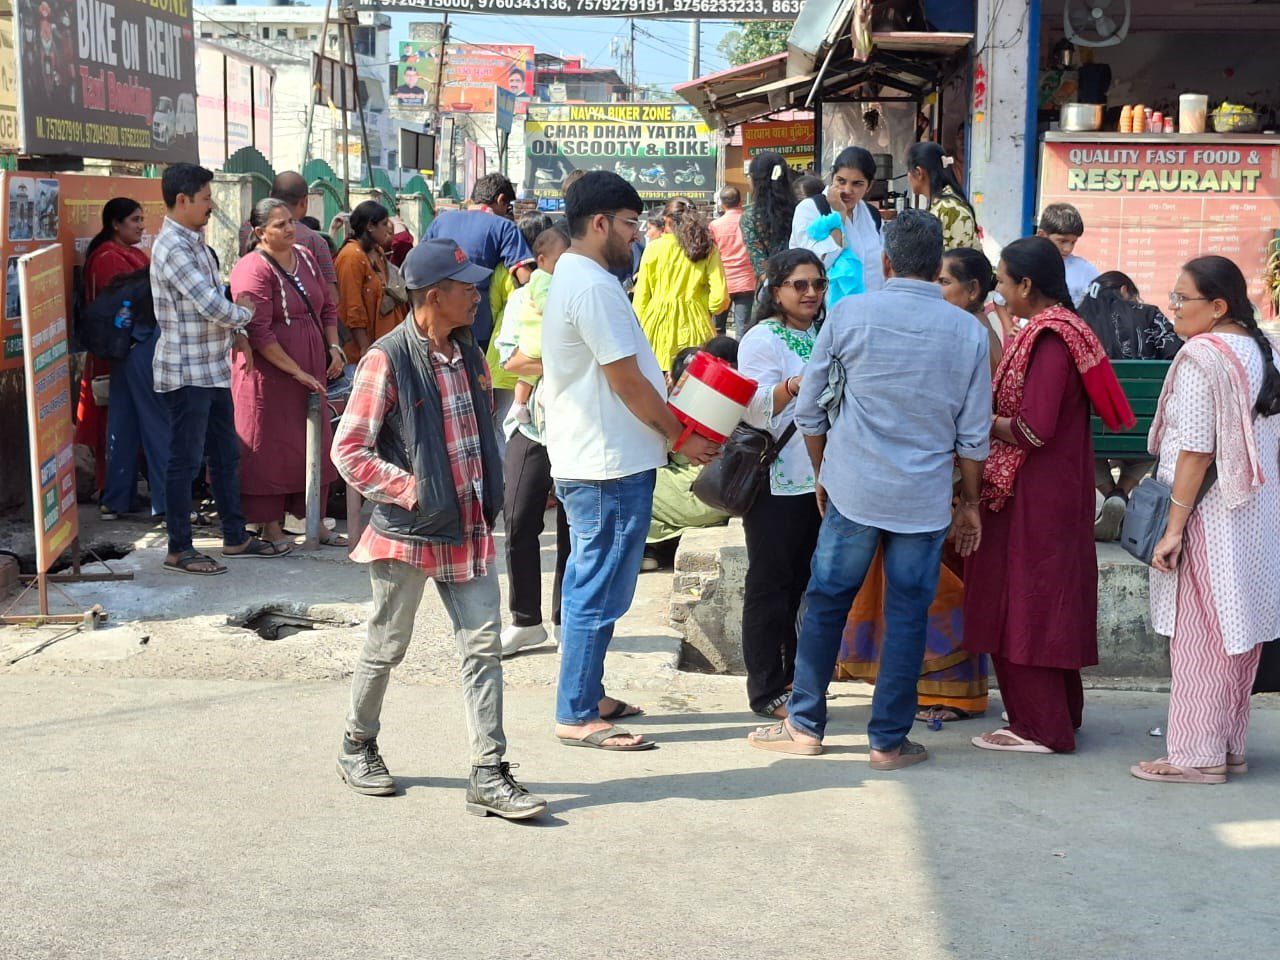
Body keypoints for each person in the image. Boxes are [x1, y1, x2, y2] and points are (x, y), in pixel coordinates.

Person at [747, 209, 990, 768]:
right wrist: (970, 503)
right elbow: (974, 433)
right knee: (908, 613)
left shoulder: (851, 314)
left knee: (826, 601)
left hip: (852, 487)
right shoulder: (967, 330)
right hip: (924, 498)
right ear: (936, 267)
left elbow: (810, 409)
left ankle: (804, 725)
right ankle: (887, 741)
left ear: (885, 259)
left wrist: (821, 473)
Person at [331, 237, 546, 819]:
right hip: (408, 532)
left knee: (482, 649)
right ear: (433, 296)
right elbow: (348, 451)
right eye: (467, 288)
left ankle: (488, 771)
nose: (477, 296)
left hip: (469, 527)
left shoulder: (472, 354)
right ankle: (357, 743)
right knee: (387, 645)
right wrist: (413, 490)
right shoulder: (387, 358)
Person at [541, 172, 720, 751]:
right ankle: (576, 711)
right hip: (606, 462)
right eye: (628, 224)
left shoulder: (582, 276)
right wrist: (679, 437)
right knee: (598, 585)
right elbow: (627, 383)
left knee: (598, 581)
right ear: (600, 224)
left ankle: (587, 692)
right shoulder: (591, 284)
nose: (636, 236)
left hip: (603, 458)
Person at [964, 236, 1133, 755]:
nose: (997, 289)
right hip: (1052, 486)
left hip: (1034, 489)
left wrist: (974, 421)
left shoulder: (1051, 337)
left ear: (1027, 285)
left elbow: (1034, 430)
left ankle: (1041, 728)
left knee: (1027, 600)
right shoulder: (1062, 328)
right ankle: (1058, 714)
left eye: (1002, 279)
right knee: (1043, 597)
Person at [837, 245, 1001, 724]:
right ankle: (914, 686)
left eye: (947, 283)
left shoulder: (975, 336)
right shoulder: (954, 331)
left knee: (938, 586)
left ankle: (950, 691)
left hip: (948, 475)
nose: (938, 290)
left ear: (972, 291)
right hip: (928, 474)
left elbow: (975, 422)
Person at [1132, 256, 1280, 784]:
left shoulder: (1202, 357)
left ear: (1217, 307)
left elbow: (1195, 451)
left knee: (1198, 637)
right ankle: (1229, 746)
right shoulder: (1265, 352)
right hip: (1256, 517)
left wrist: (1173, 529)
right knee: (1237, 638)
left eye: (1181, 299)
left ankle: (1197, 757)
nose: (1172, 308)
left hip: (1208, 518)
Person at [150, 163, 288, 575]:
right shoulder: (172, 247)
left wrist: (234, 323)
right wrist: (243, 315)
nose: (211, 206)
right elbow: (211, 305)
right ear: (182, 200)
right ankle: (179, 548)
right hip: (186, 372)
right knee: (185, 461)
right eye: (206, 199)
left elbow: (214, 302)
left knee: (226, 456)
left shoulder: (194, 241)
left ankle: (235, 536)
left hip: (212, 369)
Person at [736, 249, 828, 719]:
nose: (811, 292)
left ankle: (798, 680)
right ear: (776, 291)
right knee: (771, 587)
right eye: (800, 284)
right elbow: (751, 408)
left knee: (803, 588)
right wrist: (796, 385)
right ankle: (766, 687)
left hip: (819, 480)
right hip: (775, 482)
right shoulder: (760, 339)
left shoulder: (821, 332)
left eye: (818, 283)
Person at [230, 198, 345, 548]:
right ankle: (270, 527)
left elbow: (326, 306)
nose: (291, 229)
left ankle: (316, 522)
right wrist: (295, 371)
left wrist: (334, 347)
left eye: (291, 222)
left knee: (316, 440)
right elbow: (259, 332)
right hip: (269, 375)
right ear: (260, 232)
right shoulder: (252, 269)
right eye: (281, 225)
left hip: (311, 367)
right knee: (268, 446)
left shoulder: (307, 257)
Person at [494, 223, 573, 657]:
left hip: (575, 426)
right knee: (520, 519)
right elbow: (511, 358)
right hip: (530, 427)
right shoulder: (521, 299)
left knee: (571, 526)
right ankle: (525, 620)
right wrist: (548, 357)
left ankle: (566, 619)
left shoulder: (587, 297)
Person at [1079, 271, 1182, 540]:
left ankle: (1111, 495)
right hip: (1141, 428)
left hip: (1094, 429)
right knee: (1152, 433)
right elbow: (1177, 356)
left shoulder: (1079, 320)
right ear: (1125, 290)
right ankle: (1121, 494)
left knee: (1085, 437)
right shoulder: (1149, 314)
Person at [80, 198, 164, 521]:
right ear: (115, 224)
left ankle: (117, 498)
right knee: (140, 427)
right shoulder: (107, 259)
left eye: (142, 219)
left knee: (125, 425)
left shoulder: (134, 255)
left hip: (128, 350)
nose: (141, 225)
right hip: (123, 348)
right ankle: (163, 502)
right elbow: (121, 310)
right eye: (134, 220)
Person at [643, 338, 738, 571]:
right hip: (728, 491)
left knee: (635, 480)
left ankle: (647, 547)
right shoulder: (734, 395)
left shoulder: (687, 404)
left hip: (707, 493)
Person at [425, 173, 533, 347]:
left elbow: (422, 262)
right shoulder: (504, 226)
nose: (507, 212)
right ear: (500, 199)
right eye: (507, 206)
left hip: (436, 314)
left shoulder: (440, 221)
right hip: (476, 320)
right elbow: (524, 277)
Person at [633, 197, 728, 371]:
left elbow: (641, 298)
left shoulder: (654, 248)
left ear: (667, 220)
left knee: (657, 384)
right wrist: (700, 302)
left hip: (656, 328)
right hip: (695, 327)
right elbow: (719, 298)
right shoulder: (707, 248)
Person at [486, 213, 554, 445]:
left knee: (507, 428)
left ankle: (506, 479)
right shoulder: (554, 273)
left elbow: (492, 307)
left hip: (507, 353)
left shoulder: (505, 270)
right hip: (544, 354)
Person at [790, 147, 886, 297]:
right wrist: (838, 216)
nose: (847, 190)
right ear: (832, 177)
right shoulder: (811, 209)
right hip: (824, 312)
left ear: (869, 186)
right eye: (841, 181)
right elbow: (817, 265)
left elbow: (879, 268)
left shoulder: (872, 216)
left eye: (857, 184)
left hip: (870, 309)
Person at [236, 174, 339, 305]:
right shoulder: (314, 241)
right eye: (280, 225)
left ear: (270, 195)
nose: (289, 230)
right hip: (294, 319)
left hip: (253, 308)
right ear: (304, 201)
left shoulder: (246, 229)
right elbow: (332, 298)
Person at [335, 201, 408, 364]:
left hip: (388, 343)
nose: (388, 228)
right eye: (383, 224)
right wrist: (365, 350)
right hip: (364, 350)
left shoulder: (377, 251)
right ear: (370, 226)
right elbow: (352, 308)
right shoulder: (351, 257)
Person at [939, 247, 1003, 376]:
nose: (935, 288)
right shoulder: (982, 326)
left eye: (944, 282)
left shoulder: (968, 333)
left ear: (973, 289)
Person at [905, 141, 980, 250]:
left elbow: (958, 262)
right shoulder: (942, 206)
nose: (908, 176)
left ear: (918, 172)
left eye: (908, 171)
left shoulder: (949, 209)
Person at [707, 186, 756, 339]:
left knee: (718, 328)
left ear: (722, 205)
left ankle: (720, 360)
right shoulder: (751, 223)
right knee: (743, 328)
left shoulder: (715, 226)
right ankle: (741, 360)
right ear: (741, 202)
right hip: (746, 281)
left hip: (722, 283)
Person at [741, 152, 796, 277]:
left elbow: (760, 264)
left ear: (756, 179)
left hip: (772, 288)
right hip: (804, 286)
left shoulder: (751, 217)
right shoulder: (800, 209)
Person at [1037, 203, 1098, 308]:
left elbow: (1101, 300)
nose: (1068, 249)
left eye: (1073, 242)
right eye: (1062, 241)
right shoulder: (1025, 261)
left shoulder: (1084, 269)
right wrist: (1009, 324)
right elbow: (999, 298)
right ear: (1042, 235)